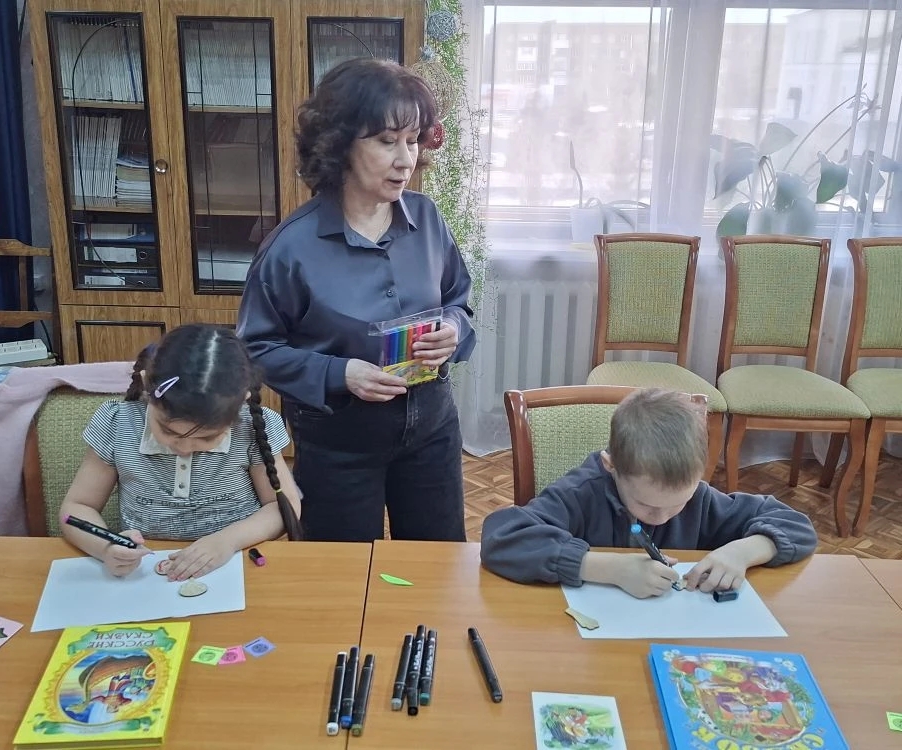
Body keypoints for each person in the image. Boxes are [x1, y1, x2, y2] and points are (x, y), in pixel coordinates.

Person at [236, 58, 477, 542]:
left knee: (436, 562)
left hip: (431, 428)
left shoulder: (428, 219)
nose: (405, 159)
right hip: (338, 441)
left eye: (413, 140)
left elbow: (459, 300)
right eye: (387, 141)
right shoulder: (291, 248)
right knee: (342, 571)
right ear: (340, 143)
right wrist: (339, 373)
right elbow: (254, 351)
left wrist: (453, 328)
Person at [480, 388, 817, 598]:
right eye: (645, 504)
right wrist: (608, 569)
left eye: (678, 503)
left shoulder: (700, 499)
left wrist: (743, 552)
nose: (661, 517)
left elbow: (797, 526)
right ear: (611, 465)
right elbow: (501, 538)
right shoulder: (582, 492)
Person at [60, 324, 303, 580]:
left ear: (241, 402)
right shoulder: (119, 423)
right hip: (145, 573)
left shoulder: (252, 427)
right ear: (147, 387)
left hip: (236, 564)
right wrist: (106, 547)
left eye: (206, 437)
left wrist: (227, 541)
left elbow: (282, 506)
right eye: (168, 431)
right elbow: (76, 508)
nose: (183, 447)